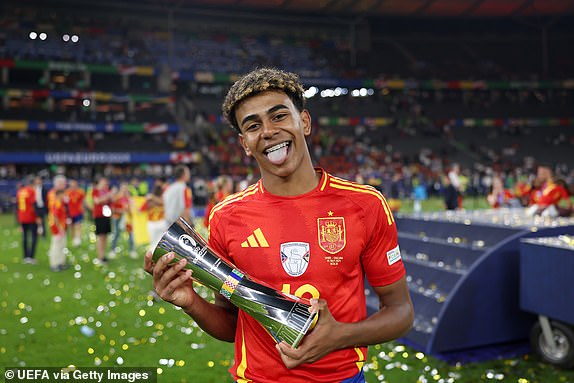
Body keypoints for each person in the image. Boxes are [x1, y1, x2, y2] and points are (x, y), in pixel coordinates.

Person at [145, 68, 414, 383]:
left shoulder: (365, 205)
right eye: (253, 125)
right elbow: (233, 324)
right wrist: (191, 302)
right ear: (245, 143)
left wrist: (339, 336)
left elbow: (401, 312)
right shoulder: (226, 216)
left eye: (278, 116)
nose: (268, 131)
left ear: (305, 122)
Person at [92, 176, 114, 264]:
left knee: (105, 236)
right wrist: (108, 196)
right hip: (99, 215)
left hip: (106, 215)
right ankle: (100, 257)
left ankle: (103, 255)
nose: (105, 184)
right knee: (101, 237)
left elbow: (111, 200)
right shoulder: (95, 191)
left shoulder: (106, 191)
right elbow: (97, 201)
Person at [16, 177, 38, 264]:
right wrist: (37, 216)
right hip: (31, 216)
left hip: (22, 216)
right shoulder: (31, 191)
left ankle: (25, 256)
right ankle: (31, 256)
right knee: (33, 237)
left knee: (25, 237)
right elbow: (33, 204)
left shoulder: (20, 191)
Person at [140, 184, 167, 251]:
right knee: (159, 241)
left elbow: (141, 209)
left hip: (154, 223)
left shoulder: (151, 199)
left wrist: (151, 198)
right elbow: (141, 209)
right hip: (160, 222)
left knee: (154, 242)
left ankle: (153, 255)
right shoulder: (161, 199)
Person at [48, 189, 68, 271]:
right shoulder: (56, 203)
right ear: (59, 194)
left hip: (61, 227)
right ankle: (54, 264)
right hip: (57, 228)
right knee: (56, 246)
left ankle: (60, 262)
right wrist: (60, 229)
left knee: (61, 246)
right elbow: (55, 217)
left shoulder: (60, 203)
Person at [66, 179, 86, 247]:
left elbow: (83, 201)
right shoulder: (67, 192)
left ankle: (78, 239)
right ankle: (74, 239)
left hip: (78, 212)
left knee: (78, 225)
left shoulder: (80, 192)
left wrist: (84, 209)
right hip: (70, 213)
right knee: (71, 227)